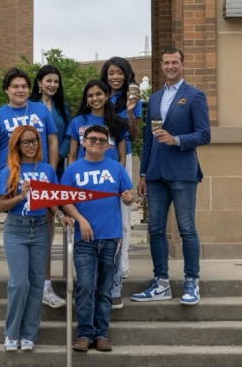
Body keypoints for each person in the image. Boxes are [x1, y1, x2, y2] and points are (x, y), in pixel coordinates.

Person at [131, 48, 210, 307]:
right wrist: (143, 173)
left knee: (186, 228)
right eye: (166, 62)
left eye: (175, 62)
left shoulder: (194, 96)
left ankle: (191, 280)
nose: (170, 66)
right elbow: (147, 140)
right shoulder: (153, 99)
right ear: (161, 66)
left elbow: (204, 135)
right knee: (155, 229)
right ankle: (161, 282)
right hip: (155, 174)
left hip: (183, 173)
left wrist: (176, 140)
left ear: (183, 65)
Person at [0, 67, 65, 310]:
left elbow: (52, 140)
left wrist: (50, 169)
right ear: (6, 89)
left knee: (46, 228)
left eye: (24, 86)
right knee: (18, 230)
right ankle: (21, 283)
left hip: (41, 173)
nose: (20, 90)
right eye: (15, 86)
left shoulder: (40, 109)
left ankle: (46, 286)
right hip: (12, 178)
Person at [60, 123, 133, 353]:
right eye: (93, 139)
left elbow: (128, 198)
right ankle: (84, 334)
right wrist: (80, 220)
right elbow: (65, 200)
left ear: (108, 144)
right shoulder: (72, 170)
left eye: (102, 140)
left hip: (111, 238)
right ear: (83, 142)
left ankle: (101, 334)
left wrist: (129, 198)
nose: (97, 143)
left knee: (104, 289)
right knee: (85, 286)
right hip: (85, 240)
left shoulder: (116, 168)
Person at [0, 125, 59, 351]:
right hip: (16, 229)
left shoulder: (47, 170)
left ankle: (29, 334)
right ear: (17, 145)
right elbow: (1, 205)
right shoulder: (9, 170)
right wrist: (21, 195)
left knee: (36, 286)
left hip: (40, 227)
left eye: (34, 141)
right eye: (26, 142)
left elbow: (51, 201)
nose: (31, 146)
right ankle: (12, 333)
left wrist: (61, 214)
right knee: (19, 283)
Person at [99, 56, 142, 305]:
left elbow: (134, 134)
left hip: (121, 157)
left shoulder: (132, 100)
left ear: (127, 75)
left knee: (124, 214)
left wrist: (129, 112)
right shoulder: (101, 96)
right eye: (111, 73)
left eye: (120, 73)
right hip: (98, 157)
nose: (115, 77)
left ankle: (123, 262)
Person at [30, 64, 72, 307]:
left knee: (48, 226)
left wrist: (54, 166)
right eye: (48, 80)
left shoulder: (61, 108)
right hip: (29, 174)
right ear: (39, 82)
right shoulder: (31, 107)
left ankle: (45, 284)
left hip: (53, 173)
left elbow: (65, 138)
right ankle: (33, 281)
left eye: (56, 81)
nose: (53, 85)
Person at [65, 80, 126, 167]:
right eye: (90, 95)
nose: (94, 98)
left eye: (98, 94)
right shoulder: (77, 121)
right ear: (86, 99)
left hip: (110, 173)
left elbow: (122, 157)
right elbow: (72, 156)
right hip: (83, 174)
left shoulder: (117, 122)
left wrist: (119, 175)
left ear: (106, 96)